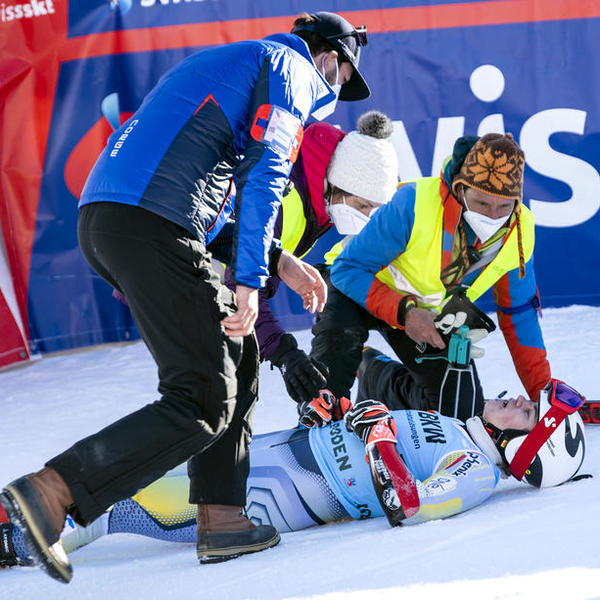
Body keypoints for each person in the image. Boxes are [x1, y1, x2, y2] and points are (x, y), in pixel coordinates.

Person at [0, 11, 372, 582]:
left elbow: (200, 195)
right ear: (329, 58)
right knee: (201, 396)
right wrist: (249, 281)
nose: (337, 94)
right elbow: (267, 173)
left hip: (116, 219)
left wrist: (280, 261)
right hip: (150, 223)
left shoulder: (239, 61)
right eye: (343, 79)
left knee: (238, 356)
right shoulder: (291, 68)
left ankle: (222, 518)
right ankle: (52, 494)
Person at [0, 375, 586, 568]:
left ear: (528, 446)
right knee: (144, 464)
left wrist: (379, 438)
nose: (516, 399)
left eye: (526, 412)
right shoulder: (458, 427)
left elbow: (410, 507)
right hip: (283, 451)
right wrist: (334, 416)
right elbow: (372, 438)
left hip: (280, 493)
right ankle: (22, 521)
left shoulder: (476, 472)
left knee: (124, 500)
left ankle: (19, 537)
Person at [310, 133, 551, 421]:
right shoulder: (414, 202)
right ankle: (319, 420)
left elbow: (518, 315)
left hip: (422, 312)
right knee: (336, 355)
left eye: (504, 207)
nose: (492, 215)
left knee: (459, 409)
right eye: (481, 203)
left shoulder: (520, 230)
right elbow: (347, 269)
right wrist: (406, 313)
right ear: (460, 189)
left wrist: (543, 396)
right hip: (353, 286)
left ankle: (374, 375)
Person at [239, 110, 399, 405]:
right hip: (188, 275)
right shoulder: (281, 195)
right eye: (362, 206)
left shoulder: (322, 194)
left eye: (373, 209)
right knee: (212, 397)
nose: (366, 217)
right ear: (337, 185)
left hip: (220, 294)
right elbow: (240, 284)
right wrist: (284, 352)